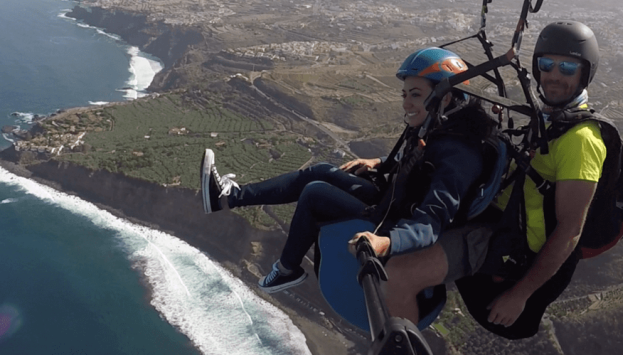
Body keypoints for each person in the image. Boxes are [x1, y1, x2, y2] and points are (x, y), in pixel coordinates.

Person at [201, 47, 495, 293]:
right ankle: (228, 197)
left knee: (315, 193)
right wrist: (380, 162)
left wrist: (387, 242)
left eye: (415, 95)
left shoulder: (459, 154)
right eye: (404, 94)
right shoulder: (440, 129)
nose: (405, 103)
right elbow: (416, 163)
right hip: (391, 198)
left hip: (390, 221)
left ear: (444, 98)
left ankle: (286, 269)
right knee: (320, 171)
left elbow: (431, 223)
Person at [382, 20, 607, 339]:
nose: (555, 75)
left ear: (586, 72)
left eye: (567, 67)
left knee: (398, 276)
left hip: (508, 245)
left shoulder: (580, 140)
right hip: (496, 219)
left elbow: (570, 231)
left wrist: (521, 294)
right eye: (547, 64)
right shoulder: (546, 119)